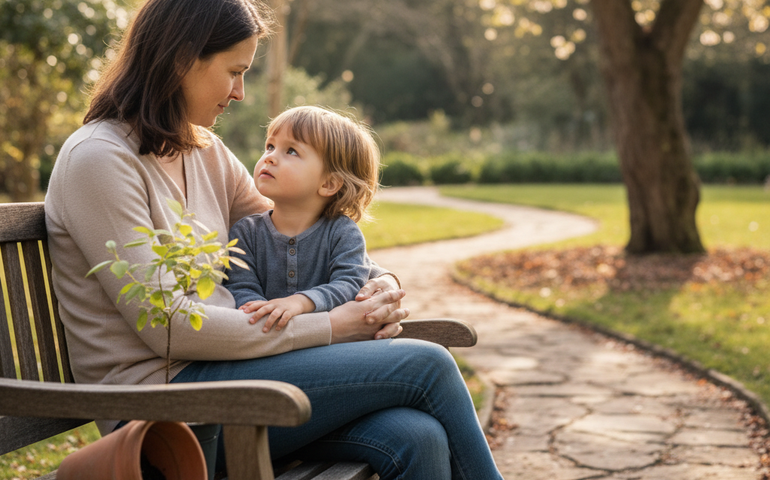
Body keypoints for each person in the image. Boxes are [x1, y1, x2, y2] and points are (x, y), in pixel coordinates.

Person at [43, 0, 503, 478]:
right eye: (234, 71)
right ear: (182, 59)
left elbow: (293, 229)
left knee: (415, 436)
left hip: (230, 379)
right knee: (426, 364)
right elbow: (169, 327)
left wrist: (378, 282)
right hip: (166, 412)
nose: (240, 92)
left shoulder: (203, 151)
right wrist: (331, 326)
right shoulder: (99, 159)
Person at [225, 106, 381, 334]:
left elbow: (350, 285)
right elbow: (239, 288)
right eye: (270, 146)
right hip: (263, 341)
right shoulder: (245, 232)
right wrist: (261, 313)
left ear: (328, 184)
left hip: (330, 348)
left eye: (291, 151)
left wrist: (300, 302)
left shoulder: (342, 233)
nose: (269, 157)